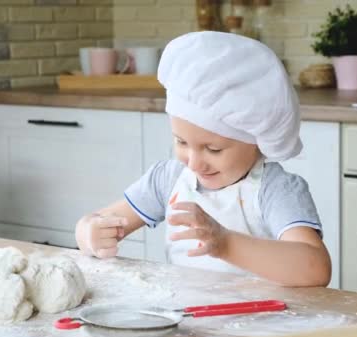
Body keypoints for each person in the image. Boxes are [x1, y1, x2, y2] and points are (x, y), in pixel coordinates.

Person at [75, 31, 331, 287]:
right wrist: (89, 233)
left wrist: (226, 244)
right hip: (187, 317)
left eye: (213, 149)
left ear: (256, 140)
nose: (194, 163)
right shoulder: (169, 178)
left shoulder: (275, 189)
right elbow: (98, 221)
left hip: (261, 321)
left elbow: (315, 269)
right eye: (181, 142)